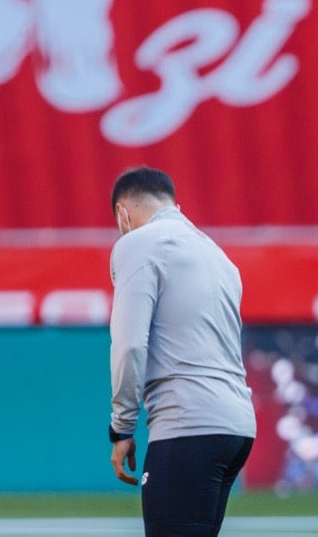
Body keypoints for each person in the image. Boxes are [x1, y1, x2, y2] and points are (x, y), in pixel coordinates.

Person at [107, 166, 256, 536]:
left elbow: (129, 344)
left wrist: (121, 427)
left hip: (187, 422)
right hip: (236, 425)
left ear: (124, 214)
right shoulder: (219, 255)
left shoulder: (137, 243)